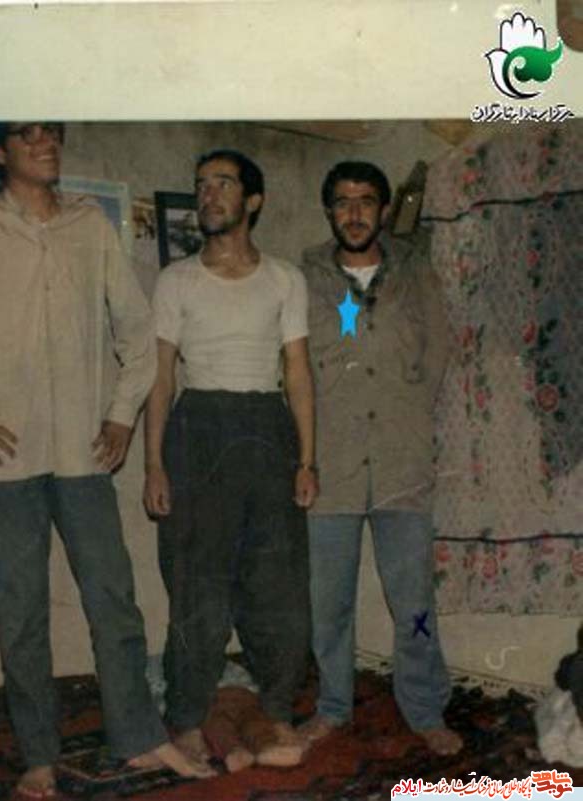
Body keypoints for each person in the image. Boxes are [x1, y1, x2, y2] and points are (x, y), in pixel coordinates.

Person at [0, 122, 214, 799]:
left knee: (114, 600)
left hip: (83, 456)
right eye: (27, 135)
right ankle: (38, 757)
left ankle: (139, 739)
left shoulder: (89, 226)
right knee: (21, 613)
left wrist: (120, 413)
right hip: (5, 464)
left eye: (51, 133)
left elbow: (139, 331)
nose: (45, 143)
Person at [144, 149, 317, 769]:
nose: (208, 194)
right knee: (198, 588)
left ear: (253, 200)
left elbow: (297, 372)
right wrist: (154, 464)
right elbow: (161, 377)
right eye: (201, 185)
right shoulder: (176, 281)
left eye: (223, 183)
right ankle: (188, 718)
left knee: (278, 585)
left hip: (267, 429)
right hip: (197, 430)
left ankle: (276, 711)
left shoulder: (285, 279)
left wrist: (307, 460)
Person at [298, 161, 462, 756]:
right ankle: (332, 707)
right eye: (342, 201)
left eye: (366, 200)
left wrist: (405, 415)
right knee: (329, 604)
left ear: (383, 209)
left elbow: (438, 352)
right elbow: (296, 365)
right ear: (329, 211)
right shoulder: (307, 277)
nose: (354, 212)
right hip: (332, 468)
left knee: (413, 602)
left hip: (400, 466)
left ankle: (425, 709)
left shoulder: (414, 271)